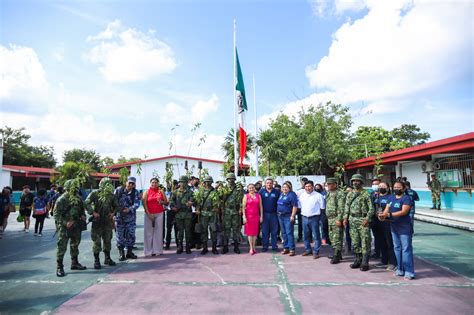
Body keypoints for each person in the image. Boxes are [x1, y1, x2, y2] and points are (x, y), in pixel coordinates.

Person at [378, 181, 415, 280]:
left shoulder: (406, 198)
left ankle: (409, 271)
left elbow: (404, 211)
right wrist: (383, 216)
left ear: (403, 189)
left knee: (406, 249)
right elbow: (387, 208)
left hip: (404, 228)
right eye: (394, 187)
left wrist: (389, 215)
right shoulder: (391, 198)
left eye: (398, 187)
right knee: (397, 248)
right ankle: (400, 269)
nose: (396, 189)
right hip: (394, 227)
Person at [54, 179, 87, 277]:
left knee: (75, 244)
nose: (74, 191)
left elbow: (82, 210)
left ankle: (75, 263)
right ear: (67, 189)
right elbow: (56, 214)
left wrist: (83, 215)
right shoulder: (61, 199)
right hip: (64, 227)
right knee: (62, 246)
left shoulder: (78, 198)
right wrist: (65, 223)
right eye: (72, 189)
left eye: (75, 189)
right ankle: (59, 267)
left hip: (76, 226)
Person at [85, 177, 120, 269]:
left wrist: (113, 213)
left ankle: (107, 258)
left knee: (107, 241)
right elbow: (86, 203)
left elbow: (117, 206)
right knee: (96, 242)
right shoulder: (95, 194)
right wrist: (93, 212)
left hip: (107, 222)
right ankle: (96, 261)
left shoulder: (111, 196)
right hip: (97, 222)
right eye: (105, 184)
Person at [343, 174, 374, 272]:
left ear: (361, 182)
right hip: (352, 219)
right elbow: (346, 207)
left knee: (365, 241)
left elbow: (371, 208)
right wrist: (345, 218)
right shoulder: (350, 194)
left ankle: (365, 262)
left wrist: (367, 219)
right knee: (355, 241)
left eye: (357, 181)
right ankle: (358, 260)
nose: (355, 183)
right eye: (353, 181)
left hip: (363, 219)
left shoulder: (366, 194)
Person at [115, 176, 141, 261]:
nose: (130, 185)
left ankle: (129, 252)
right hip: (120, 218)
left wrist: (129, 209)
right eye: (129, 183)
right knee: (120, 236)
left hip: (131, 219)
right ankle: (121, 254)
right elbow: (113, 202)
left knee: (131, 235)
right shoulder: (119, 190)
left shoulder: (135, 192)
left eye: (132, 183)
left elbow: (137, 204)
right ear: (126, 182)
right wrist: (115, 212)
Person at [373, 182, 397, 271]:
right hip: (377, 222)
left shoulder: (390, 197)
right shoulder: (376, 197)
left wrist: (385, 214)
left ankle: (393, 262)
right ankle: (384, 261)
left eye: (383, 186)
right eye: (380, 186)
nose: (381, 188)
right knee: (381, 242)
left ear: (388, 188)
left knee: (389, 242)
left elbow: (391, 209)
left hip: (387, 222)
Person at [142, 178, 168, 257]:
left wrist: (162, 202)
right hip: (149, 214)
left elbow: (166, 202)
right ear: (150, 183)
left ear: (158, 183)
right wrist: (148, 213)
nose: (154, 184)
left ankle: (157, 250)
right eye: (153, 182)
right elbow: (144, 203)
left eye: (156, 182)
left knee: (158, 232)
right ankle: (148, 251)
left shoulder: (161, 191)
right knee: (148, 232)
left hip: (159, 213)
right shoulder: (146, 192)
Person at [299, 180, 324, 259]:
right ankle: (308, 250)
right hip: (304, 217)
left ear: (313, 186)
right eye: (306, 187)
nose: (308, 188)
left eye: (309, 186)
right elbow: (299, 207)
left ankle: (316, 252)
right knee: (306, 236)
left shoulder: (318, 195)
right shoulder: (302, 196)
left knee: (316, 236)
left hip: (314, 218)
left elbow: (322, 207)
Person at [169, 176, 194, 254]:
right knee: (180, 232)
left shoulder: (190, 192)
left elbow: (194, 201)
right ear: (179, 183)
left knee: (188, 231)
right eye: (181, 182)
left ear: (187, 183)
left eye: (184, 182)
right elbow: (171, 202)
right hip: (178, 214)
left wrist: (191, 203)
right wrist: (173, 207)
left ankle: (187, 246)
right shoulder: (175, 192)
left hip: (187, 214)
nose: (182, 184)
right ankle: (180, 246)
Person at [196, 176, 219, 255]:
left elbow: (218, 201)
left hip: (212, 213)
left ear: (211, 182)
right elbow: (198, 201)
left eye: (209, 181)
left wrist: (216, 207)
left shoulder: (214, 191)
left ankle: (214, 248)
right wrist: (198, 209)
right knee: (204, 230)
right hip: (203, 213)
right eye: (206, 181)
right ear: (204, 182)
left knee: (213, 230)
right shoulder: (201, 191)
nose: (208, 183)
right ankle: (205, 248)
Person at [221, 173, 243, 254]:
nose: (231, 180)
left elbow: (241, 200)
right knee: (226, 230)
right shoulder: (223, 189)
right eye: (229, 179)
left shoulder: (238, 189)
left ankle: (236, 247)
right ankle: (225, 246)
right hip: (226, 212)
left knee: (236, 230)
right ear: (227, 180)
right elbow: (220, 199)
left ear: (234, 180)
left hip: (235, 212)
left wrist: (240, 208)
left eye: (232, 179)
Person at [325, 178, 346, 264]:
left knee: (337, 237)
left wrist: (339, 219)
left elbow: (341, 207)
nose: (329, 186)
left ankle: (336, 256)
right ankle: (337, 253)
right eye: (328, 184)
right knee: (332, 237)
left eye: (330, 184)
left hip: (336, 218)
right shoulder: (329, 193)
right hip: (330, 219)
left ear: (335, 184)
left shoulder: (340, 193)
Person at [277, 181, 298, 256]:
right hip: (280, 216)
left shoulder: (292, 195)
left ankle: (292, 249)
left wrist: (292, 216)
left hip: (288, 216)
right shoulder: (281, 194)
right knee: (284, 233)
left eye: (286, 187)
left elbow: (295, 206)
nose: (284, 188)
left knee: (289, 233)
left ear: (290, 188)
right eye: (283, 187)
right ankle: (286, 248)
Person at [259, 178, 280, 252]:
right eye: (267, 183)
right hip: (264, 214)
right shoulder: (261, 192)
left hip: (274, 214)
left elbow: (280, 202)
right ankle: (265, 246)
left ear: (272, 184)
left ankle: (274, 246)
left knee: (274, 231)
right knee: (265, 231)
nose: (269, 184)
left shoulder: (277, 192)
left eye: (270, 183)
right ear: (265, 184)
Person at [242, 183, 263, 255]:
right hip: (248, 217)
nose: (251, 189)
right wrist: (244, 217)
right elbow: (243, 208)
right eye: (250, 188)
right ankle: (251, 248)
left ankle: (254, 247)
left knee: (255, 233)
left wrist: (261, 216)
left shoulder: (258, 196)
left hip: (256, 216)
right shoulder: (246, 196)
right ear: (248, 189)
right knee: (250, 234)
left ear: (255, 188)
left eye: (252, 187)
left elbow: (261, 207)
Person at [369, 178, 382, 259]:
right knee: (376, 236)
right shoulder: (370, 195)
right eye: (374, 184)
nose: (375, 186)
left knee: (384, 237)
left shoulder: (385, 195)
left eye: (377, 184)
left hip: (383, 218)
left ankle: (384, 253)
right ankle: (377, 252)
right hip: (374, 218)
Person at [165, 180, 179, 250]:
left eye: (176, 185)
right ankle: (167, 244)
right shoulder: (168, 193)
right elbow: (167, 202)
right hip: (170, 212)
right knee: (169, 229)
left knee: (177, 229)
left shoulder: (178, 193)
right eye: (174, 185)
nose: (175, 186)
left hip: (176, 212)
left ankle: (178, 243)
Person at [295, 177, 308, 242]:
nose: (303, 184)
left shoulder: (310, 191)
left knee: (308, 224)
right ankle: (300, 236)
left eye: (304, 182)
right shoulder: (298, 191)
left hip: (308, 209)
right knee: (300, 224)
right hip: (300, 209)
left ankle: (309, 237)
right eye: (302, 182)